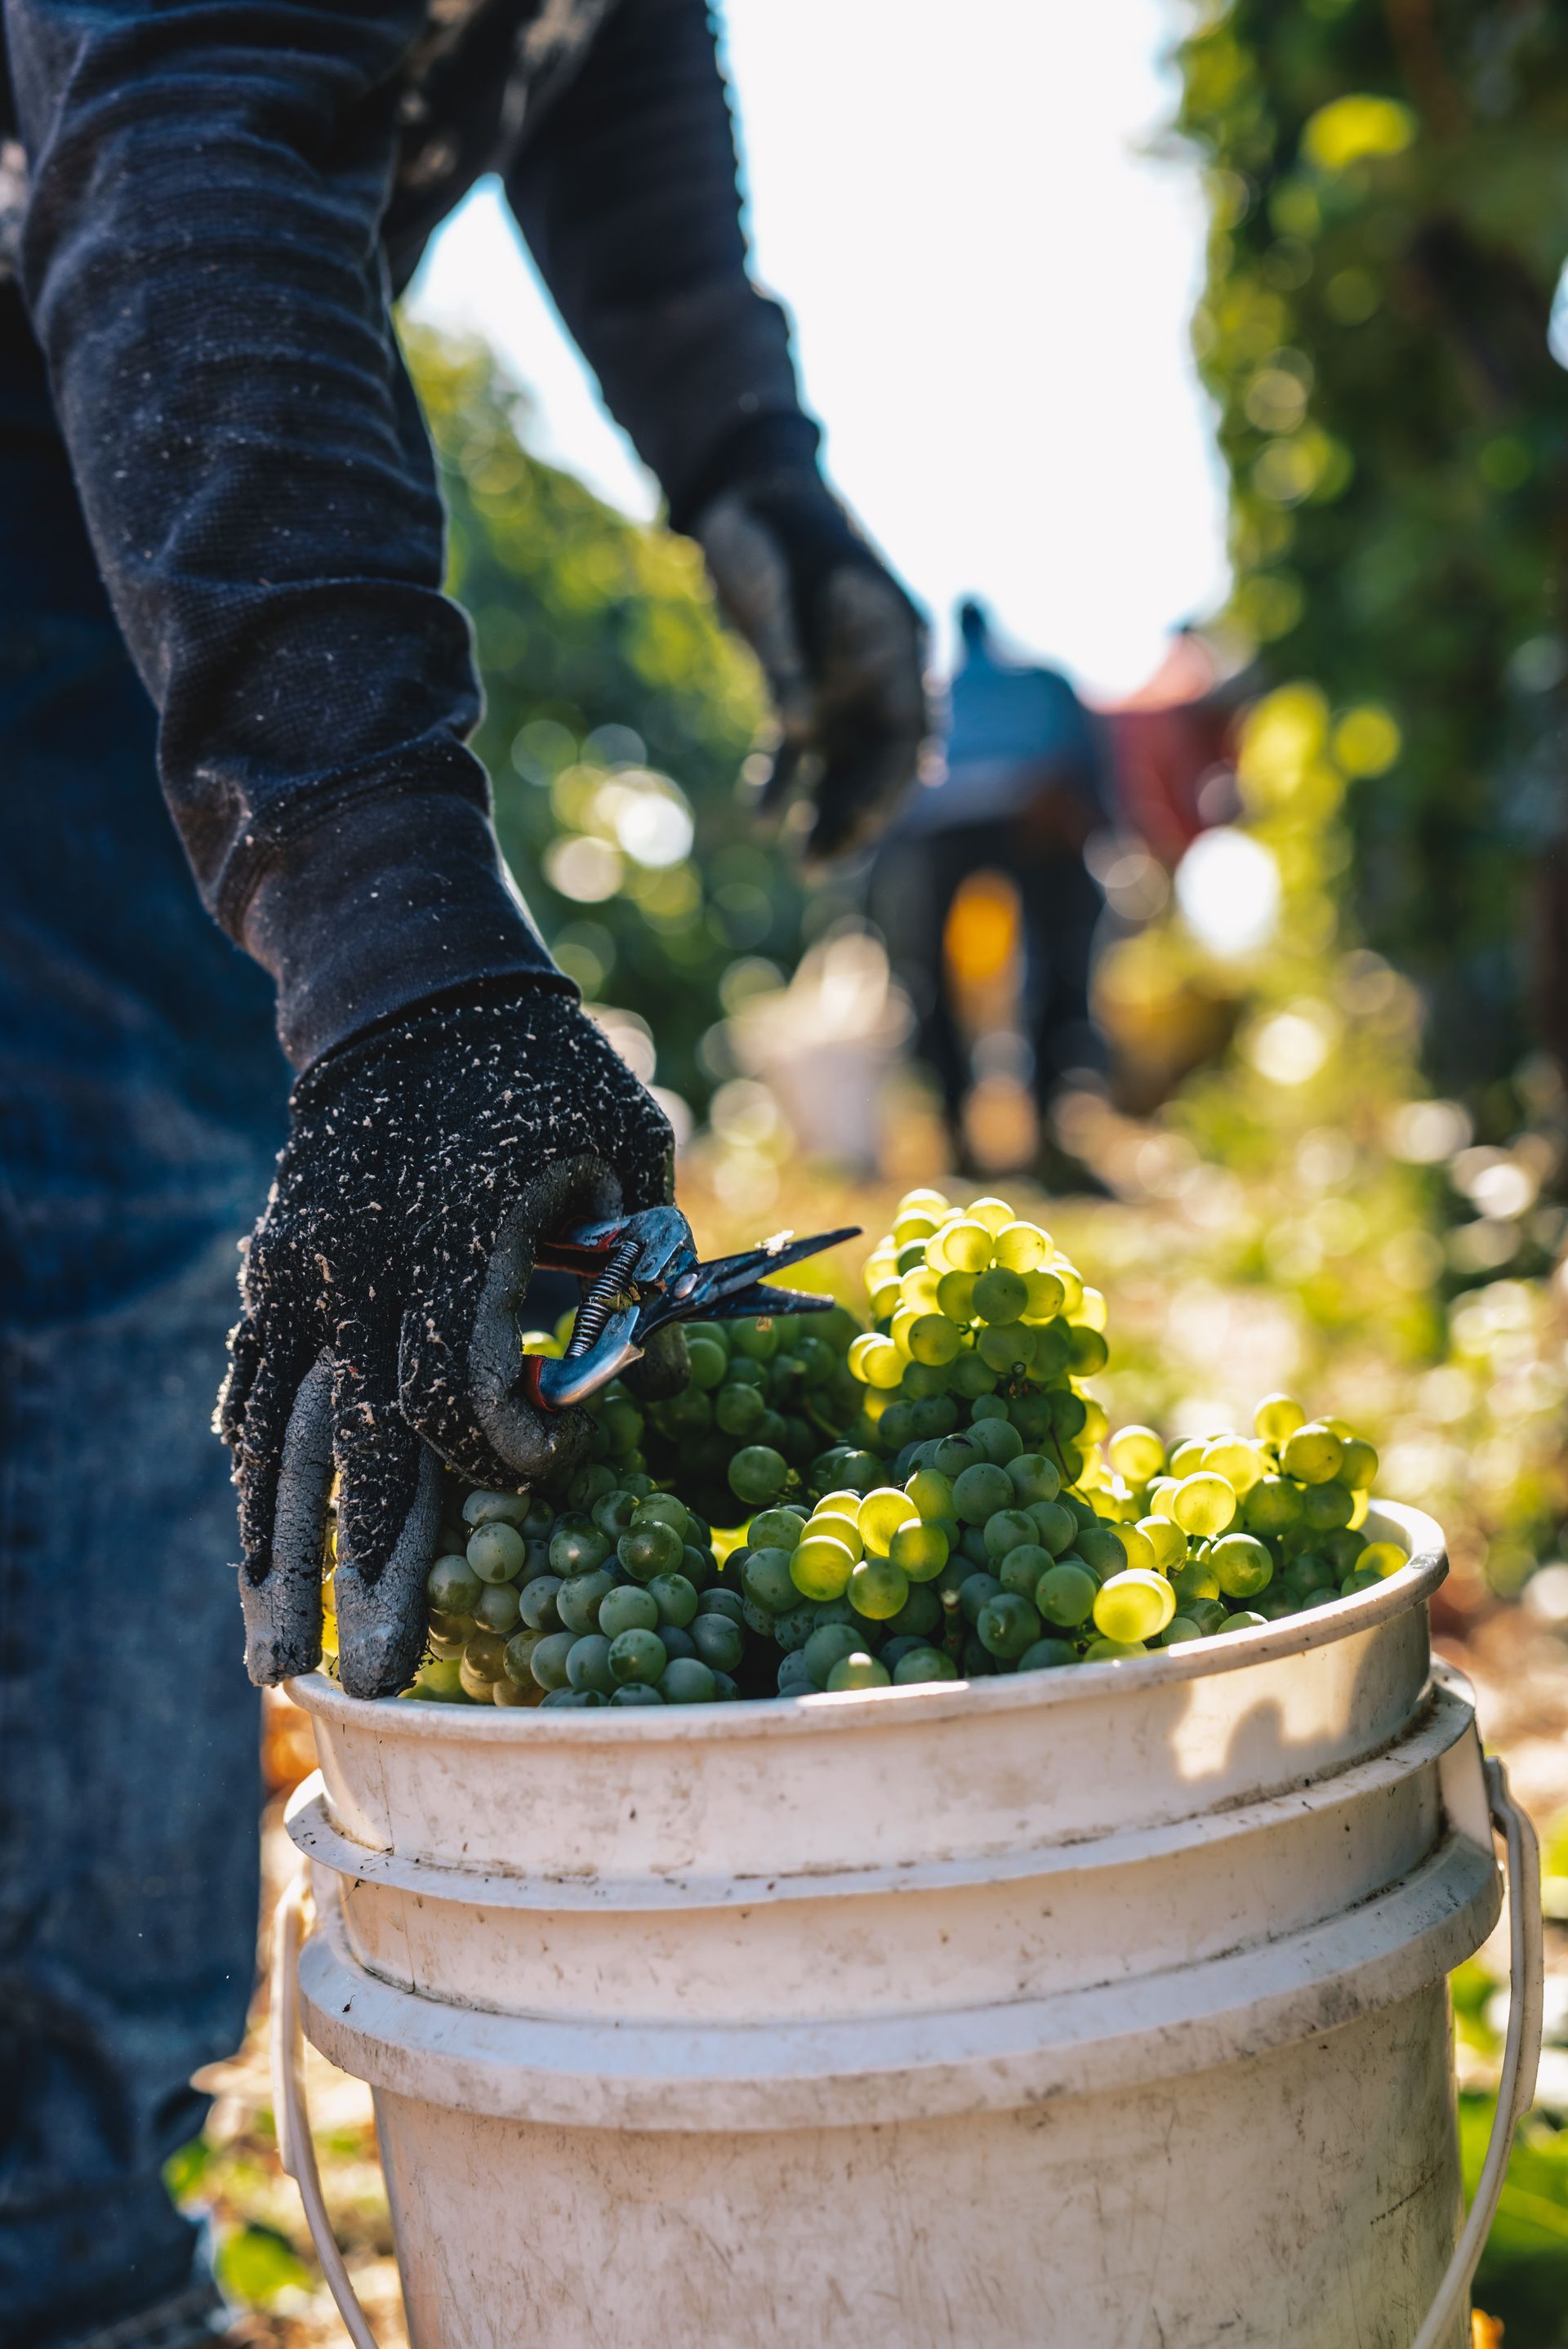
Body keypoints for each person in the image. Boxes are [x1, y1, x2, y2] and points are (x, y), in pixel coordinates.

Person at [0, 7, 927, 2344]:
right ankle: (58, 2260)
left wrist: (748, 452)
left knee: (133, 1236)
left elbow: (589, 40)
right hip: (69, 398)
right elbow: (187, 98)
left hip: (104, 447)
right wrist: (405, 970)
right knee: (113, 1267)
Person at [871, 598, 1107, 1180]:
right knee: (1054, 956)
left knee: (931, 972)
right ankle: (1040, 1119)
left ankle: (973, 1125)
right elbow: (1091, 771)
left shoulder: (935, 692)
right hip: (1030, 814)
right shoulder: (1043, 683)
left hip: (952, 826)